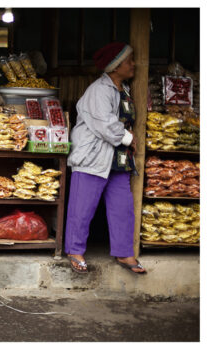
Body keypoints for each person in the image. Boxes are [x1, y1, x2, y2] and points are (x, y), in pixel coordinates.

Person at [65, 42, 146, 274]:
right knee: (82, 208)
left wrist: (127, 141)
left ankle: (124, 253)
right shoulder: (99, 90)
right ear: (115, 66)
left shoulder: (124, 89)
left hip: (117, 159)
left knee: (123, 208)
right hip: (93, 156)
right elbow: (105, 124)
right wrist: (129, 139)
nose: (133, 65)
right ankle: (75, 250)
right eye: (129, 61)